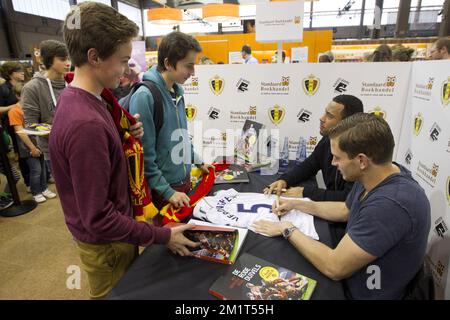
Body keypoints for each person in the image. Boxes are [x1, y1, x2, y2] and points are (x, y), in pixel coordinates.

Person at [50, 2, 199, 299]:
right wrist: (161, 235)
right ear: (94, 57)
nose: (127, 70)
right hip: (108, 243)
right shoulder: (86, 124)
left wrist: (122, 135)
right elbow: (98, 216)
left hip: (118, 233)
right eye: (122, 60)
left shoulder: (93, 101)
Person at [254, 113, 431, 299]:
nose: (333, 163)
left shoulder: (390, 206)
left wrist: (287, 229)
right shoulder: (378, 173)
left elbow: (334, 267)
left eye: (337, 157)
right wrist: (297, 204)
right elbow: (345, 210)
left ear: (361, 161)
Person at [129, 31, 214, 223]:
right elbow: (145, 157)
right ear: (168, 63)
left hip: (182, 183)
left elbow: (181, 137)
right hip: (163, 190)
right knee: (166, 245)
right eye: (188, 66)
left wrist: (198, 161)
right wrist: (168, 191)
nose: (193, 73)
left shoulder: (177, 92)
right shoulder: (145, 97)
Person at [265, 94, 364, 201]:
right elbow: (310, 164)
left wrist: (305, 192)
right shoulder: (328, 139)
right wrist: (285, 180)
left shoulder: (360, 151)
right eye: (325, 113)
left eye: (330, 116)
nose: (321, 118)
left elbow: (348, 199)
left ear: (346, 123)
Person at [22, 40, 71, 186]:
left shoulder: (73, 82)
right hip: (55, 150)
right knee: (69, 192)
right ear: (49, 60)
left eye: (68, 58)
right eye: (62, 59)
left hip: (79, 145)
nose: (68, 63)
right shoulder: (32, 88)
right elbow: (31, 125)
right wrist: (59, 132)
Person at [8, 83, 51, 203]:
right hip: (27, 147)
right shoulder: (14, 111)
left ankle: (44, 188)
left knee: (43, 169)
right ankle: (36, 192)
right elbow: (20, 132)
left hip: (39, 142)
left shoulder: (33, 107)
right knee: (35, 170)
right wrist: (32, 148)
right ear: (18, 96)